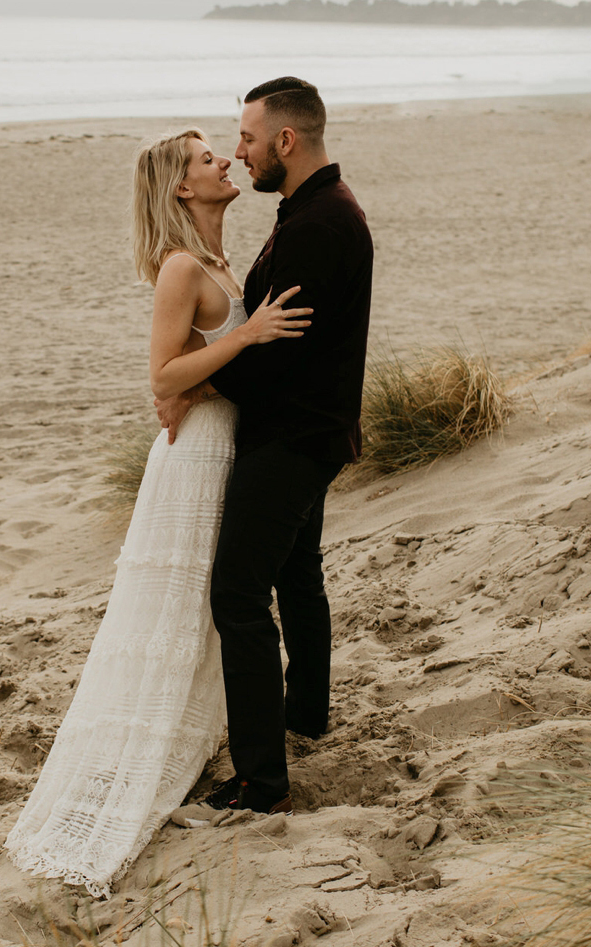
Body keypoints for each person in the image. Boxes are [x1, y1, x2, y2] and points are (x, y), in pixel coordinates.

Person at [8, 127, 311, 890]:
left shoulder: (218, 260)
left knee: (213, 605)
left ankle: (208, 732)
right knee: (183, 603)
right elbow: (164, 373)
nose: (224, 162)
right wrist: (241, 338)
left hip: (226, 441)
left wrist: (220, 369)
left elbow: (196, 376)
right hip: (197, 456)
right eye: (208, 159)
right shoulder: (181, 267)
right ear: (184, 188)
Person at [181, 77, 373, 821]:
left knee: (237, 592)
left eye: (249, 139)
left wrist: (196, 384)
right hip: (314, 426)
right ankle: (308, 710)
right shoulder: (317, 206)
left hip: (293, 433)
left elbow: (274, 354)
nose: (240, 152)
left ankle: (262, 780)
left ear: (285, 141)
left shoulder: (317, 223)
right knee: (297, 572)